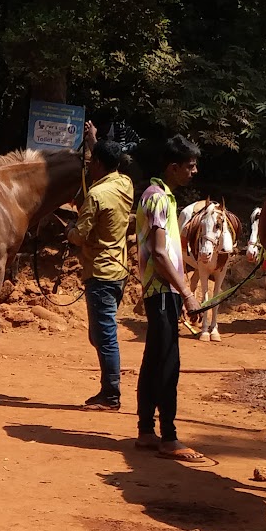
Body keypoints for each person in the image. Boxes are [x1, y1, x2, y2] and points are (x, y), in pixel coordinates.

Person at [135, 134, 206, 461]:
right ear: (173, 167)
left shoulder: (157, 196)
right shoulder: (160, 199)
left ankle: (147, 431)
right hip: (164, 292)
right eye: (189, 166)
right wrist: (188, 293)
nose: (193, 171)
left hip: (160, 291)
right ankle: (169, 436)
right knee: (168, 364)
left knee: (153, 360)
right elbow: (161, 255)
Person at [66, 136, 135, 410]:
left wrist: (69, 230)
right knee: (99, 334)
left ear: (97, 163)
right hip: (119, 269)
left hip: (101, 272)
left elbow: (80, 236)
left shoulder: (96, 195)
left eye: (91, 162)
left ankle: (111, 395)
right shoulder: (125, 184)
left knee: (104, 336)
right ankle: (109, 389)